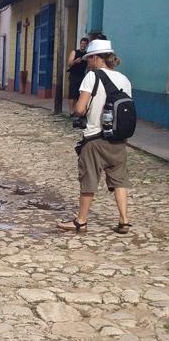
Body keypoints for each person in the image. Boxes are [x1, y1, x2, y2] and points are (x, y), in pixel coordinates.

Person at [57, 39, 132, 234]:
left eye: (90, 58)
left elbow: (80, 108)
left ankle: (81, 221)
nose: (88, 61)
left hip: (95, 138)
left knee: (88, 179)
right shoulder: (124, 79)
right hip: (118, 138)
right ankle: (124, 220)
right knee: (119, 179)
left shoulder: (92, 77)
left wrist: (82, 111)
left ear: (97, 58)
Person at [67, 37, 89, 110]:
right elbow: (69, 64)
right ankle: (71, 110)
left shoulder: (87, 55)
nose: (83, 45)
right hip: (73, 75)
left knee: (78, 94)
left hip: (82, 76)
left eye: (85, 44)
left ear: (87, 45)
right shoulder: (74, 52)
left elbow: (88, 66)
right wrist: (75, 61)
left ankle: (76, 109)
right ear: (80, 44)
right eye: (82, 43)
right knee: (72, 93)